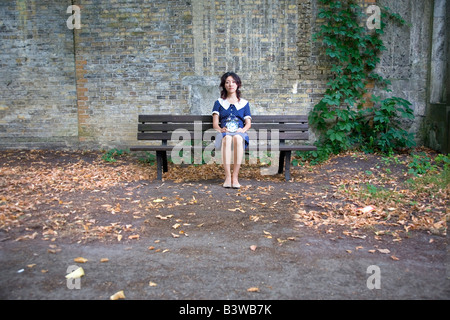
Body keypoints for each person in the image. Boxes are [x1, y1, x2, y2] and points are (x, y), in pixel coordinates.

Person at [212, 72, 252, 189]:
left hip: (239, 132)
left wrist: (242, 130)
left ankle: (235, 177)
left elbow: (248, 123)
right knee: (228, 138)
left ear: (237, 84)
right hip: (224, 133)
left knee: (238, 138)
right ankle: (228, 177)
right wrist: (220, 129)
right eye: (227, 82)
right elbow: (215, 123)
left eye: (233, 82)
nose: (231, 85)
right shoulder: (219, 102)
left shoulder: (244, 103)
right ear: (224, 85)